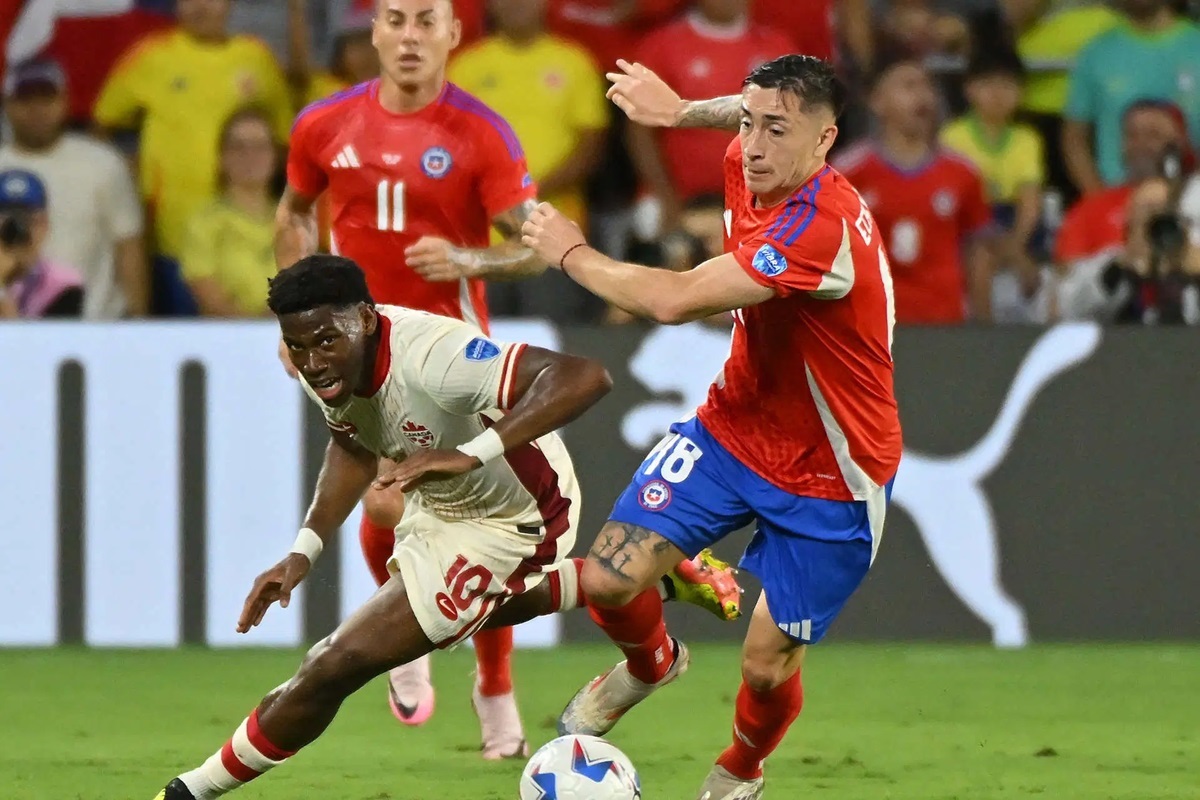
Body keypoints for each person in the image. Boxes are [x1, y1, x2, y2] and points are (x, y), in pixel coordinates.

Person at [150, 254, 741, 800]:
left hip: (519, 514)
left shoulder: (435, 357)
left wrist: (471, 452)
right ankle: (656, 579)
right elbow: (351, 445)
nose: (312, 360)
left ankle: (186, 792)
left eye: (327, 340)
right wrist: (303, 550)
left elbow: (585, 376)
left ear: (366, 316)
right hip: (442, 505)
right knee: (447, 622)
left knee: (335, 663)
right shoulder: (325, 362)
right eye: (297, 345)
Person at [521, 55, 902, 800]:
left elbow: (672, 299)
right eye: (749, 124)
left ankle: (740, 769)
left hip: (834, 474)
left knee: (764, 665)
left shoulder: (818, 229)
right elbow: (746, 111)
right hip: (732, 429)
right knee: (606, 578)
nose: (752, 144)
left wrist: (570, 252)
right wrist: (677, 111)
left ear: (824, 143)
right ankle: (650, 664)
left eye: (775, 131)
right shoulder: (750, 157)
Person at [277, 0, 573, 758]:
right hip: (358, 358)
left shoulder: (481, 132)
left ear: (452, 35)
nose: (410, 37)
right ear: (374, 32)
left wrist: (467, 259)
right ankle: (405, 637)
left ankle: (495, 681)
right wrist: (294, 316)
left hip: (452, 363)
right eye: (396, 20)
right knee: (385, 501)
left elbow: (534, 246)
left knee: (477, 518)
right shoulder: (322, 125)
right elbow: (293, 212)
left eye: (426, 21)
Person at [93, 0, 293, 313]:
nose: (200, 6)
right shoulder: (150, 56)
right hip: (171, 236)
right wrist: (131, 174)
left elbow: (282, 135)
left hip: (248, 236)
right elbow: (103, 120)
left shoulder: (256, 58)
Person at [834, 59, 996, 324]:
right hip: (870, 327)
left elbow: (978, 253)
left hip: (945, 324)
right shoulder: (847, 174)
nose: (922, 95)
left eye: (927, 86)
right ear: (877, 101)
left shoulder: (963, 173)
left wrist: (983, 324)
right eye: (908, 86)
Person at [0, 59, 147, 319]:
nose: (37, 110)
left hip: (95, 329)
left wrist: (138, 321)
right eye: (25, 100)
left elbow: (128, 246)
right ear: (7, 105)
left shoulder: (102, 163)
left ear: (65, 101)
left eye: (47, 98)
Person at [1062, 0, 1200, 193]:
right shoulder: (1097, 53)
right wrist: (1099, 201)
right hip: (1117, 199)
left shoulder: (1196, 45)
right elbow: (1074, 139)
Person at [181, 108, 282, 317]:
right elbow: (207, 292)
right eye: (238, 147)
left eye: (260, 146)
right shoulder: (204, 222)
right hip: (225, 340)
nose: (250, 155)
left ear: (275, 157)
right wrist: (253, 331)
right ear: (222, 157)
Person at [0, 169, 86, 319]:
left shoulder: (63, 283)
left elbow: (54, 340)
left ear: (45, 225)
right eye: (7, 220)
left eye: (28, 220)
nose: (17, 229)